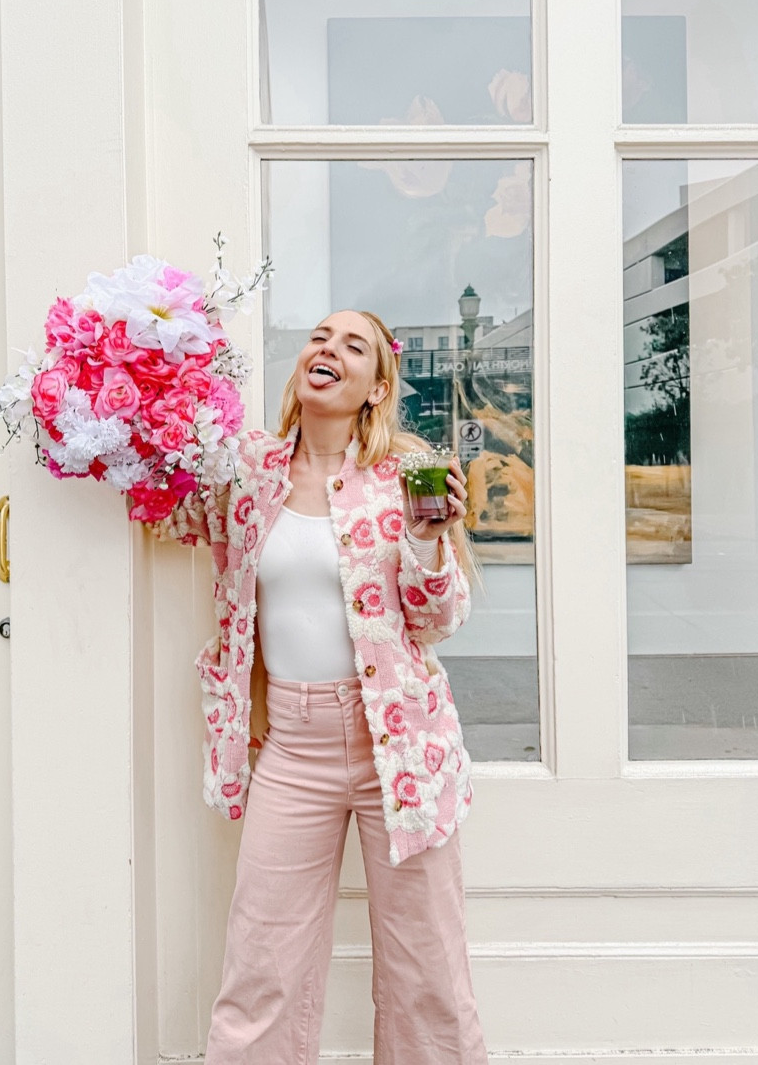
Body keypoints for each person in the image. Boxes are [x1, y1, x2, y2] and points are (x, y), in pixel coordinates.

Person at [151, 308, 488, 1064]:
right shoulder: (247, 473)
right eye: (318, 337)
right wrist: (143, 400)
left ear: (375, 387)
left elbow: (436, 620)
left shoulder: (406, 477)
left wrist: (429, 541)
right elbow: (171, 514)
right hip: (293, 748)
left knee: (425, 967)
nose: (327, 348)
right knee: (260, 961)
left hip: (399, 752)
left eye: (352, 345)